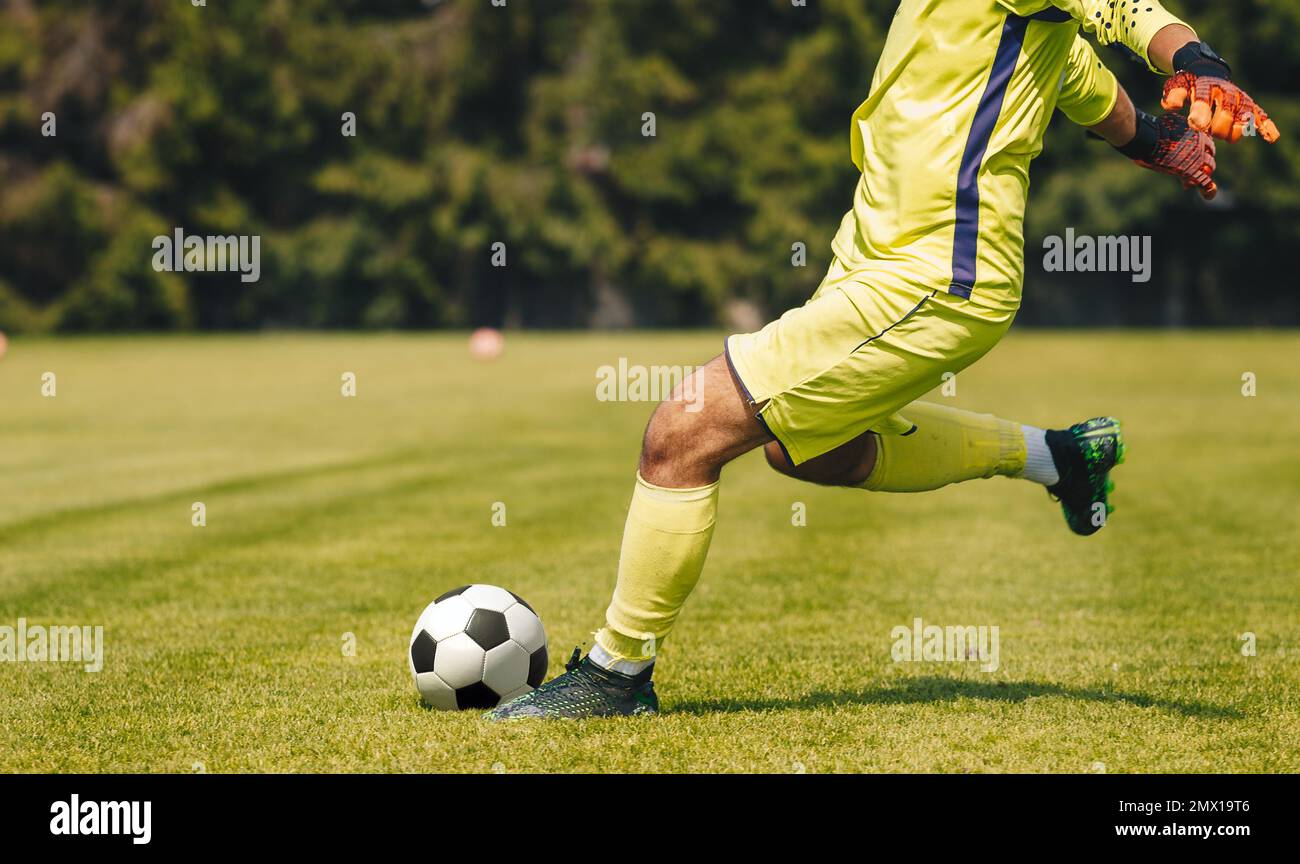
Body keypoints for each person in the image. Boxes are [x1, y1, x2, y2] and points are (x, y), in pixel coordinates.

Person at [487, 0, 1280, 720]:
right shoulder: (1008, 22)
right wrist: (1152, 140)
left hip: (934, 275)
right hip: (875, 268)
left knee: (681, 431)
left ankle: (616, 674)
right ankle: (1060, 458)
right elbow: (1080, 78)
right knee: (810, 452)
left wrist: (1196, 63)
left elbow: (1122, 10)